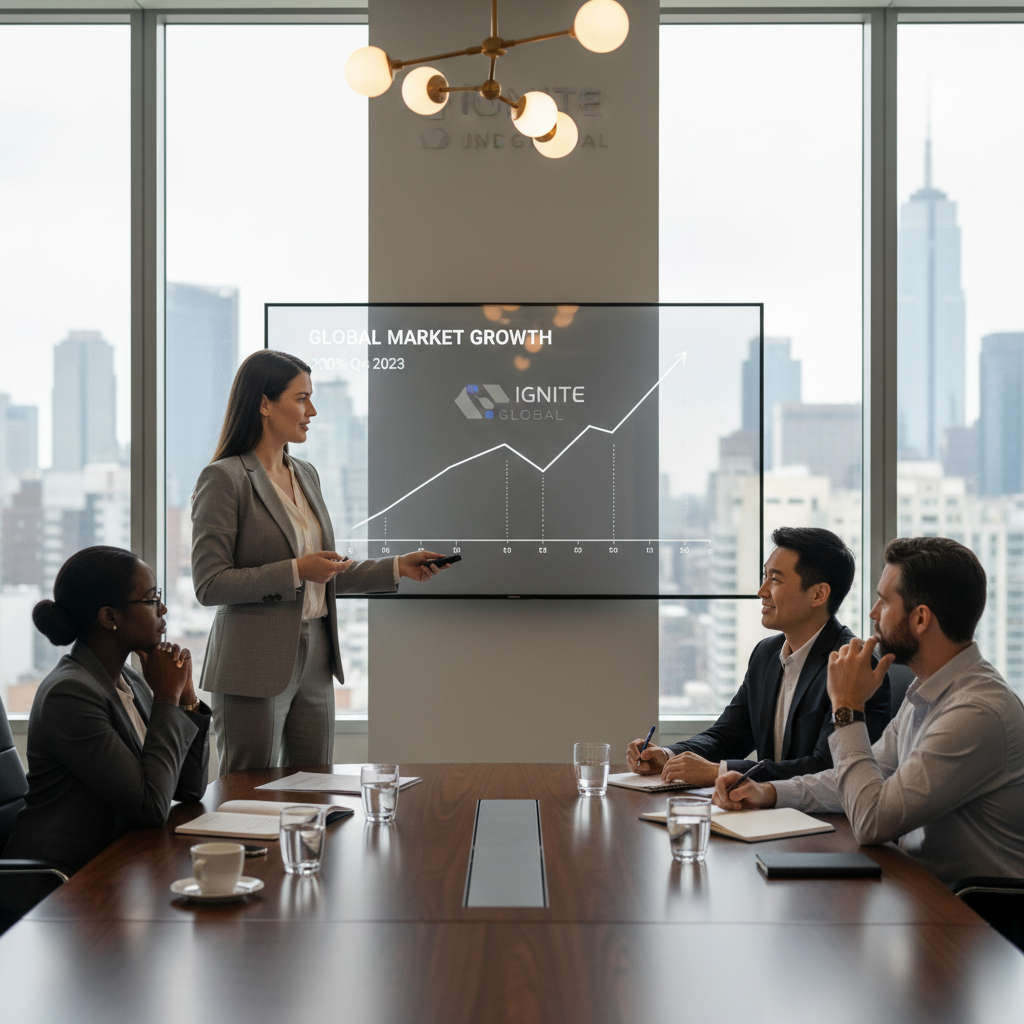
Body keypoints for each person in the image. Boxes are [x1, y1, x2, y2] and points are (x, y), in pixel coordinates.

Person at [714, 536, 1024, 888]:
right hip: (917, 889)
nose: (873, 613)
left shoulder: (976, 712)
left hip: (977, 918)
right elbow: (855, 778)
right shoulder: (928, 692)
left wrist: (847, 708)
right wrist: (769, 792)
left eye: (884, 601)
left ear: (920, 618)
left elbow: (872, 819)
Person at [192, 350, 448, 774]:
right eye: (301, 398)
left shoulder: (306, 474)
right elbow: (209, 584)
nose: (312, 410)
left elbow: (322, 574)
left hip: (316, 655)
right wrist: (296, 570)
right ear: (264, 404)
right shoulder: (225, 478)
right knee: (247, 790)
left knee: (314, 785)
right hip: (253, 662)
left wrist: (397, 566)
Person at [3, 546, 210, 878]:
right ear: (109, 617)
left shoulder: (130, 680)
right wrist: (167, 699)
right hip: (62, 882)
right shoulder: (69, 695)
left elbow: (188, 789)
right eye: (151, 599)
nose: (164, 609)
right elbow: (151, 807)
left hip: (119, 864)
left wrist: (186, 700)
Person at [627, 527, 891, 785]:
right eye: (765, 576)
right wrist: (666, 755)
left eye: (774, 579)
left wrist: (720, 772)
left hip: (827, 824)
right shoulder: (766, 653)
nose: (762, 590)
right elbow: (729, 735)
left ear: (818, 594)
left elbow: (828, 768)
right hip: (766, 815)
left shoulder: (853, 666)